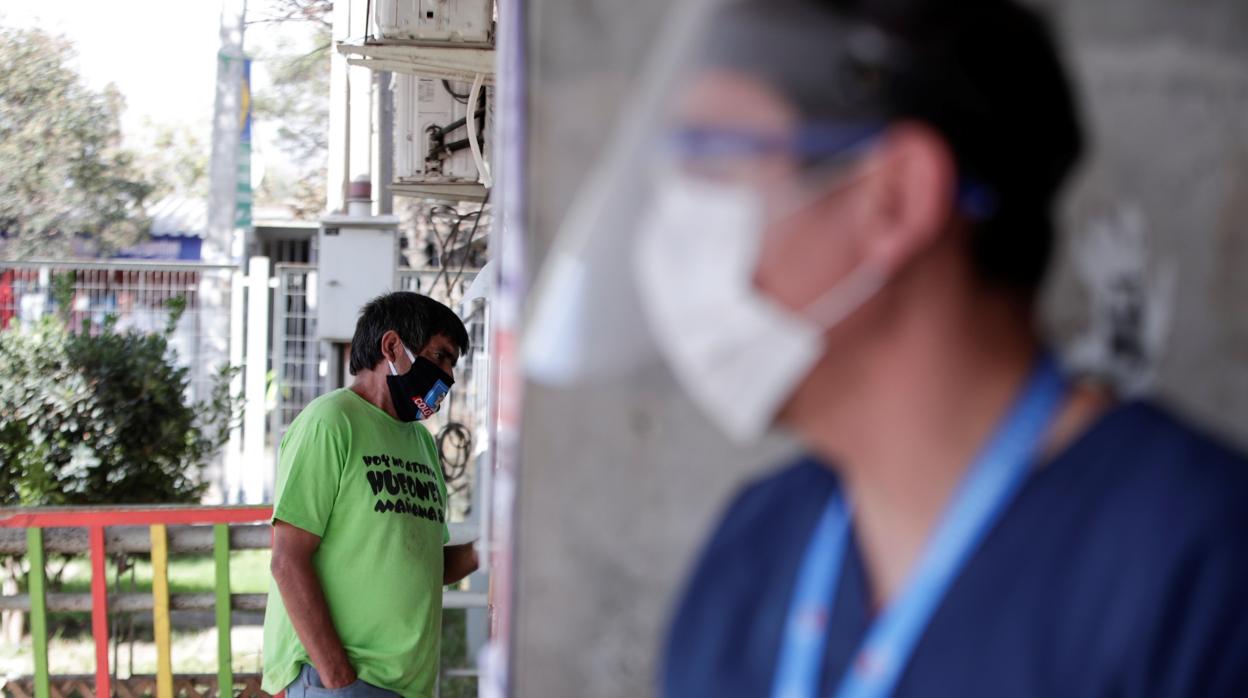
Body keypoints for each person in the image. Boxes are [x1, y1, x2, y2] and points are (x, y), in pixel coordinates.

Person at [635, 0, 1248, 696]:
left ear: (895, 199)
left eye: (713, 156)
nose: (669, 225)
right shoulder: (756, 550)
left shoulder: (1201, 573)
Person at [262, 292, 479, 698]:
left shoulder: (420, 442)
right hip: (343, 682)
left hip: (408, 686)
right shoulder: (331, 422)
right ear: (392, 346)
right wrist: (338, 676)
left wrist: (487, 551)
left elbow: (423, 562)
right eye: (440, 356)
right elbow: (288, 559)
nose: (447, 375)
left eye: (452, 363)